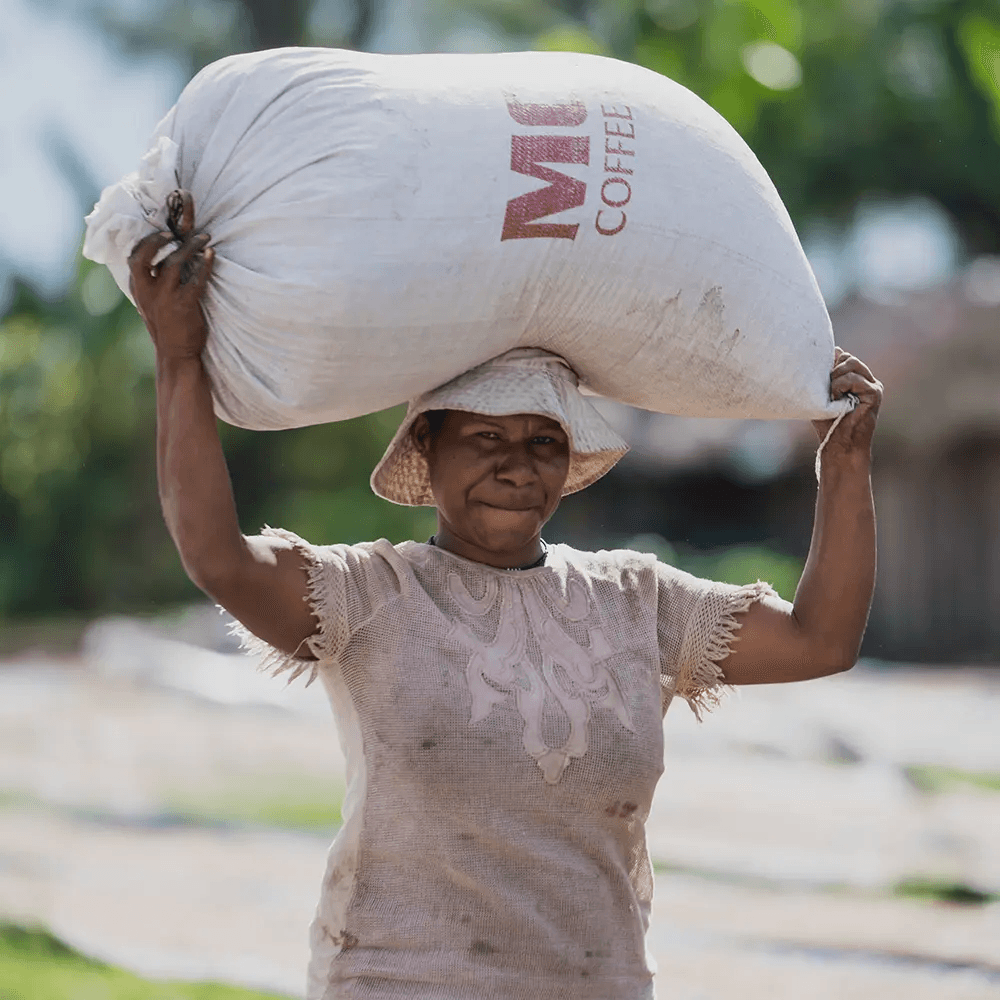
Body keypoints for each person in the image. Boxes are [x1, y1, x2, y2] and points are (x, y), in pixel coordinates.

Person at [128, 193, 883, 1000]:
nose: (517, 465)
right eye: (487, 435)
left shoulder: (637, 601)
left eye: (543, 442)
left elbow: (820, 641)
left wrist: (842, 467)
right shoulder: (371, 594)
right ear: (429, 442)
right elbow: (218, 558)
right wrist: (180, 359)